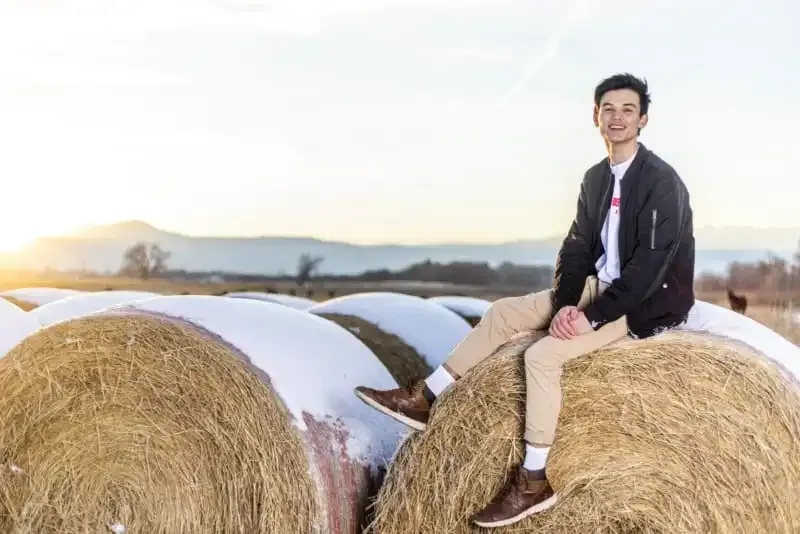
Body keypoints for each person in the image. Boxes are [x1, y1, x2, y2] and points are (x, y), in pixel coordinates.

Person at [353, 72, 695, 528]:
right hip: (599, 289)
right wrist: (566, 304)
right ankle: (427, 397)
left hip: (642, 303)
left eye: (627, 110)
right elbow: (575, 250)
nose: (617, 118)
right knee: (502, 313)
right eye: (608, 109)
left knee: (542, 357)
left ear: (643, 120)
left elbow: (649, 269)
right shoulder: (596, 179)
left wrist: (589, 317)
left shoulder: (661, 182)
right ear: (596, 116)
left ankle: (534, 479)